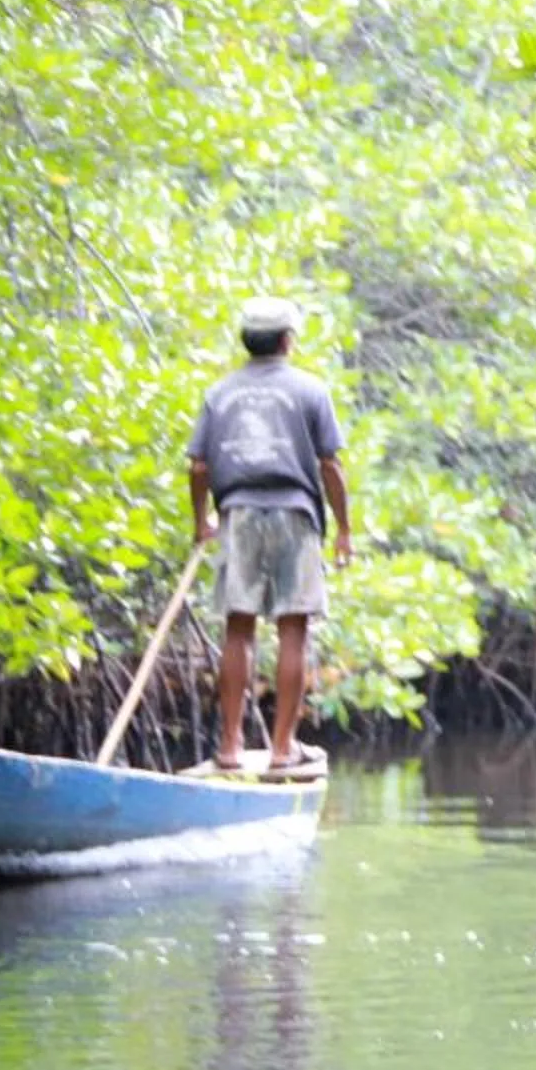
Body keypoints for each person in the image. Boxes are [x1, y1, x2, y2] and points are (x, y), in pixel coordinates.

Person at [186, 294, 353, 776]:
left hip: (237, 514)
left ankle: (230, 748)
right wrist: (344, 529)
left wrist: (201, 521)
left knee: (238, 629)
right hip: (295, 515)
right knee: (292, 630)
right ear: (287, 341)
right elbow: (330, 466)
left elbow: (198, 467)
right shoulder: (310, 390)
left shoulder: (220, 393)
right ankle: (283, 749)